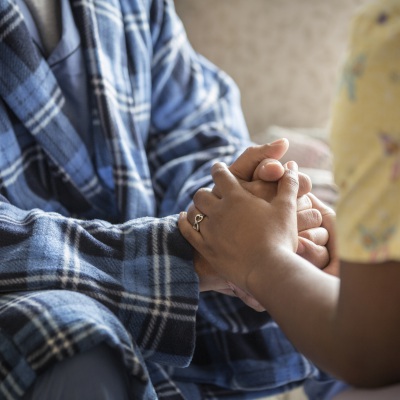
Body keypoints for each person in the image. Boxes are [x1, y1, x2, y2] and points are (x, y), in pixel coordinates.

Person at [0, 0, 335, 399]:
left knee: (338, 292)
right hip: (37, 301)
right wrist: (190, 253)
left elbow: (192, 129)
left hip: (171, 285)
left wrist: (244, 207)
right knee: (67, 336)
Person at [179, 0, 400, 397]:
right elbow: (195, 137)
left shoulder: (389, 47)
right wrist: (240, 207)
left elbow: (366, 349)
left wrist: (264, 260)